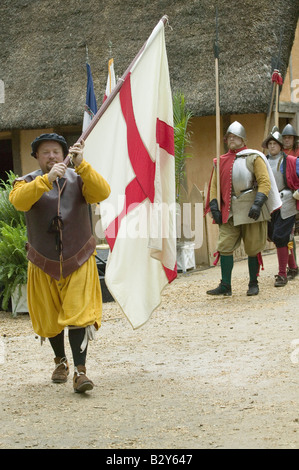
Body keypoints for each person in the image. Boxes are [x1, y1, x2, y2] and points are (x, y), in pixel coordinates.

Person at [9, 133, 111, 393]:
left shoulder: (80, 178)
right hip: (43, 261)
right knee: (50, 316)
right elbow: (19, 202)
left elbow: (103, 192)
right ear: (36, 157)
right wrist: (47, 180)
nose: (52, 156)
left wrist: (82, 165)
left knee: (79, 314)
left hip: (79, 258)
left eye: (56, 151)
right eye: (45, 152)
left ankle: (80, 372)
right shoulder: (25, 182)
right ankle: (60, 362)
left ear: (64, 154)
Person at [205, 121, 281, 296]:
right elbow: (214, 186)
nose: (231, 139)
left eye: (235, 136)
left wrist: (258, 202)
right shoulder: (220, 161)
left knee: (253, 248)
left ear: (242, 138)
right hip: (230, 210)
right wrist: (215, 205)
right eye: (229, 137)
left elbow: (264, 182)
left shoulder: (254, 157)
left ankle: (253, 283)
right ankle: (225, 286)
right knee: (224, 246)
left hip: (251, 209)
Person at [262, 127, 299, 286]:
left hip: (287, 202)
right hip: (269, 202)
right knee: (278, 237)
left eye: (275, 143)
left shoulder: (291, 161)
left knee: (280, 237)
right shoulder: (262, 161)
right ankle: (293, 267)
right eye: (269, 143)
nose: (272, 146)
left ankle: (282, 274)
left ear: (280, 145)